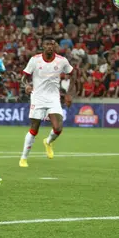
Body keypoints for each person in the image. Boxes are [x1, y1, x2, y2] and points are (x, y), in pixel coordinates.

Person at [19, 36, 74, 168]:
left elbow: (72, 74)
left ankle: (48, 141)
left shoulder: (62, 61)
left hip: (54, 98)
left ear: (55, 46)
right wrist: (26, 86)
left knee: (58, 128)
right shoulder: (35, 60)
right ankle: (23, 158)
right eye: (47, 44)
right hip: (37, 97)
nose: (50, 46)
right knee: (34, 128)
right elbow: (23, 78)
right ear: (42, 46)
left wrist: (68, 94)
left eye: (52, 44)